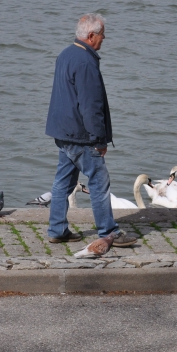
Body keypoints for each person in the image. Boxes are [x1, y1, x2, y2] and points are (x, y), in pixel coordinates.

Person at [44, 13, 138, 247]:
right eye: (102, 35)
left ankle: (57, 229)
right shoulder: (85, 61)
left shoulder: (66, 54)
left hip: (63, 131)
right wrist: (99, 139)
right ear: (91, 35)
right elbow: (90, 104)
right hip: (82, 135)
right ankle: (109, 232)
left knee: (63, 182)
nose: (104, 39)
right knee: (98, 182)